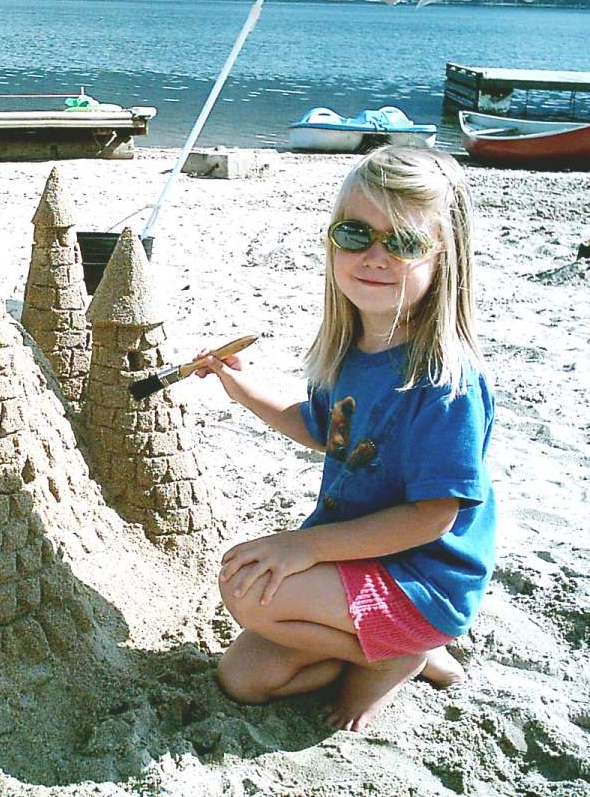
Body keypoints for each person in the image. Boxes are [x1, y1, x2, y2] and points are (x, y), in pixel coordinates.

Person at [195, 145, 495, 732]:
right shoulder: (354, 351)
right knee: (245, 678)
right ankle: (392, 650)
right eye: (356, 233)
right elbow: (323, 428)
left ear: (445, 257)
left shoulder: (444, 380)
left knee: (251, 590)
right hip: (361, 564)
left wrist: (305, 548)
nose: (375, 255)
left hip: (420, 577)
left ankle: (403, 652)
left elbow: (433, 517)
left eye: (403, 241)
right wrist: (243, 389)